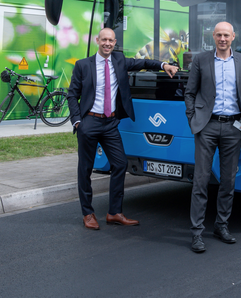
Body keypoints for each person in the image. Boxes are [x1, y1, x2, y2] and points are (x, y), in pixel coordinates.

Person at [68, 27, 178, 230]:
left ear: (114, 42)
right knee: (85, 169)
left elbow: (144, 62)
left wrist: (164, 65)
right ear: (97, 41)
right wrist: (77, 122)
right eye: (104, 40)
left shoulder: (119, 61)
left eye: (111, 40)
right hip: (89, 122)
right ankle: (88, 213)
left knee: (119, 164)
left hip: (110, 124)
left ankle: (114, 212)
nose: (107, 44)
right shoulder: (83, 65)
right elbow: (72, 95)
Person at [184, 21, 241, 253]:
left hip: (232, 128)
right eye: (219, 35)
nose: (223, 39)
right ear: (213, 37)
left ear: (233, 36)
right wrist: (193, 120)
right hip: (206, 127)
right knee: (201, 180)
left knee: (228, 180)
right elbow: (190, 92)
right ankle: (196, 233)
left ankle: (221, 225)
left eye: (226, 35)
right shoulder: (201, 60)